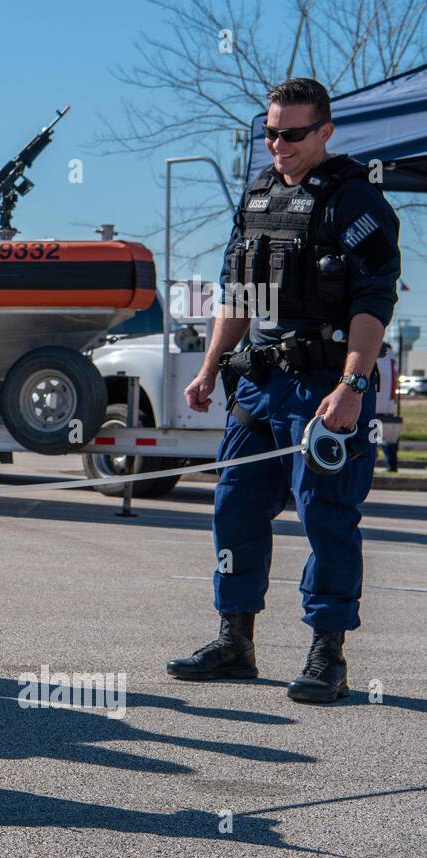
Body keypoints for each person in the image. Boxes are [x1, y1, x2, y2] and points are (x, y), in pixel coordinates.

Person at [171, 77, 401, 704]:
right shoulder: (258, 198)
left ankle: (328, 653)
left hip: (325, 386)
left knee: (326, 515)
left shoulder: (357, 203)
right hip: (261, 383)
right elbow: (240, 296)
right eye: (270, 132)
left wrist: (354, 384)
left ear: (325, 132)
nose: (278, 144)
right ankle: (234, 640)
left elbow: (372, 303)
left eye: (292, 133)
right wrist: (210, 365)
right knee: (234, 505)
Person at [374, 344, 398, 471]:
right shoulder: (388, 356)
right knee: (386, 437)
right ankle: (392, 465)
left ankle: (390, 464)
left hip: (376, 404)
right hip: (385, 404)